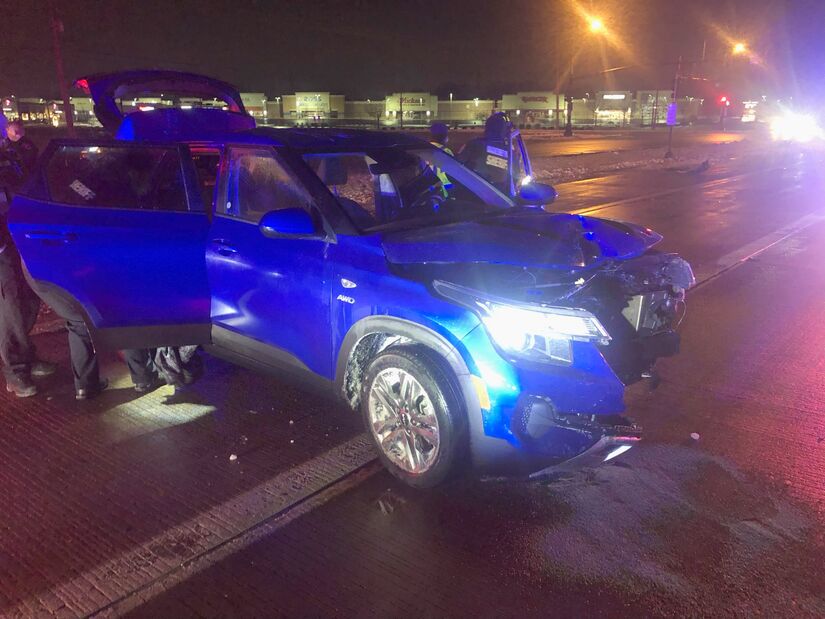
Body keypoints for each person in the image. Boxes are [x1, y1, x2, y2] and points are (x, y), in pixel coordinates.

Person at [428, 122, 453, 196]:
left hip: (428, 188)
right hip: (444, 191)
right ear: (445, 137)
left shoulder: (424, 150)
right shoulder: (446, 152)